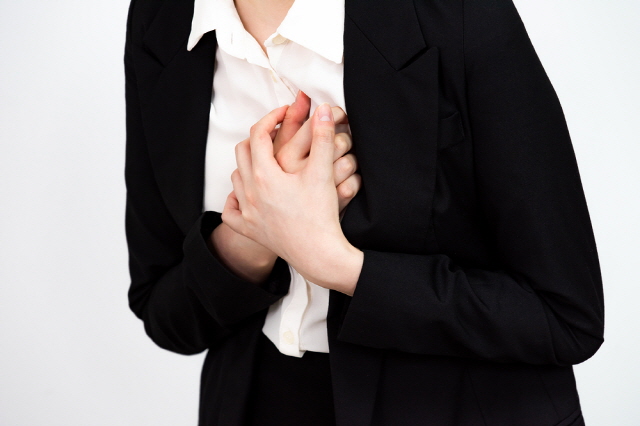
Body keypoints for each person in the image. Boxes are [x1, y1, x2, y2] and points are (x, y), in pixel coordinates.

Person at [123, 0, 605, 425]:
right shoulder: (161, 19)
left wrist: (336, 264)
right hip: (250, 401)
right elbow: (163, 312)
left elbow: (566, 318)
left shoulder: (458, 13)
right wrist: (253, 233)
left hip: (457, 407)